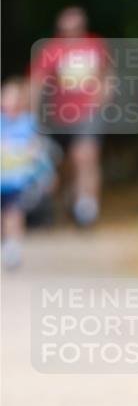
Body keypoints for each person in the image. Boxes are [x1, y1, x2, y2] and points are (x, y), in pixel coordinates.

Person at [30, 6, 111, 226]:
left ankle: (87, 206)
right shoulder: (51, 49)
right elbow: (37, 82)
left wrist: (99, 102)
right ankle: (70, 200)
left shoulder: (95, 46)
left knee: (85, 155)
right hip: (60, 115)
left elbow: (107, 76)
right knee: (65, 163)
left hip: (88, 113)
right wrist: (32, 115)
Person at [1, 76, 56, 269]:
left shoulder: (29, 124)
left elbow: (40, 152)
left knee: (13, 213)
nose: (10, 102)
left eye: (15, 98)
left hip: (17, 181)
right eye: (7, 97)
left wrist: (47, 174)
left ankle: (13, 248)